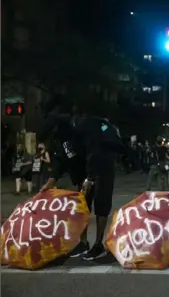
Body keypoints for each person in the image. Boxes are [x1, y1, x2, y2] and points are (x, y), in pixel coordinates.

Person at [39, 106, 122, 261]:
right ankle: (83, 243)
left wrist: (90, 178)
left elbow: (94, 150)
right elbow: (61, 161)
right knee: (83, 204)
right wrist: (51, 182)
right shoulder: (60, 138)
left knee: (101, 204)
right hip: (85, 169)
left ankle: (98, 245)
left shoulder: (82, 126)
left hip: (102, 165)